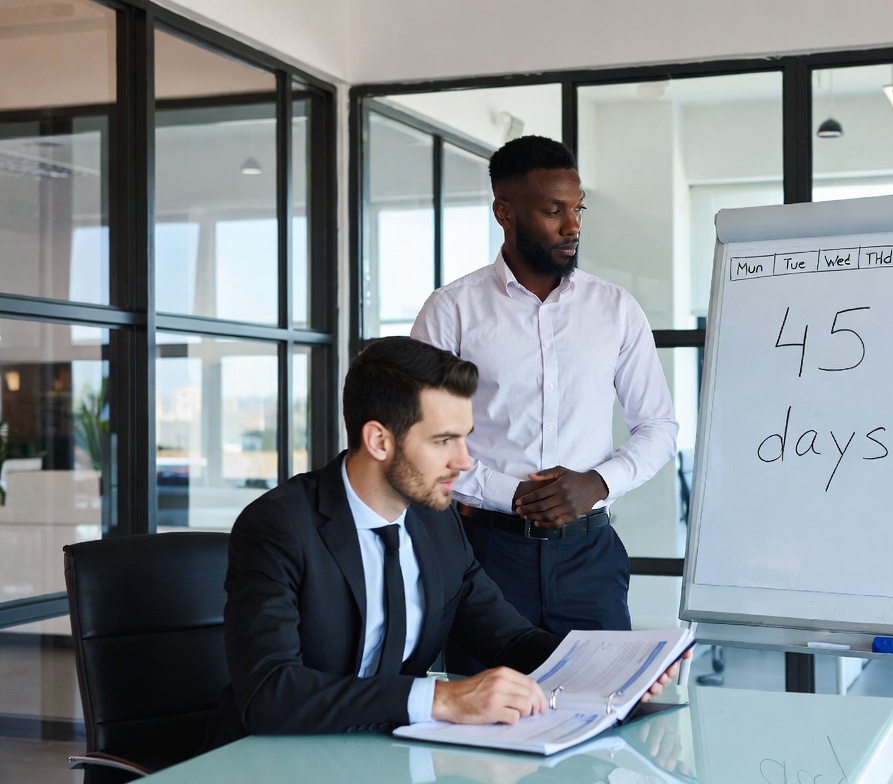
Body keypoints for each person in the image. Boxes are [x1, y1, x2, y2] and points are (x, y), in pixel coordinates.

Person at [204, 337, 679, 747]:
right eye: (443, 441)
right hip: (273, 759)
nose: (465, 461)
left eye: (466, 438)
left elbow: (510, 640)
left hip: (385, 753)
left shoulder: (436, 523)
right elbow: (268, 692)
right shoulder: (279, 526)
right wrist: (444, 698)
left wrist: (616, 671)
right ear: (379, 440)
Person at [411, 135, 679, 670]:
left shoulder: (615, 310)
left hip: (591, 560)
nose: (572, 225)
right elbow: (419, 441)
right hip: (484, 560)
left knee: (603, 715)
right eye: (552, 211)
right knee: (487, 730)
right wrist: (512, 495)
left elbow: (659, 426)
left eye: (577, 209)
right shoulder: (451, 311)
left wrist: (597, 484)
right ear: (504, 213)